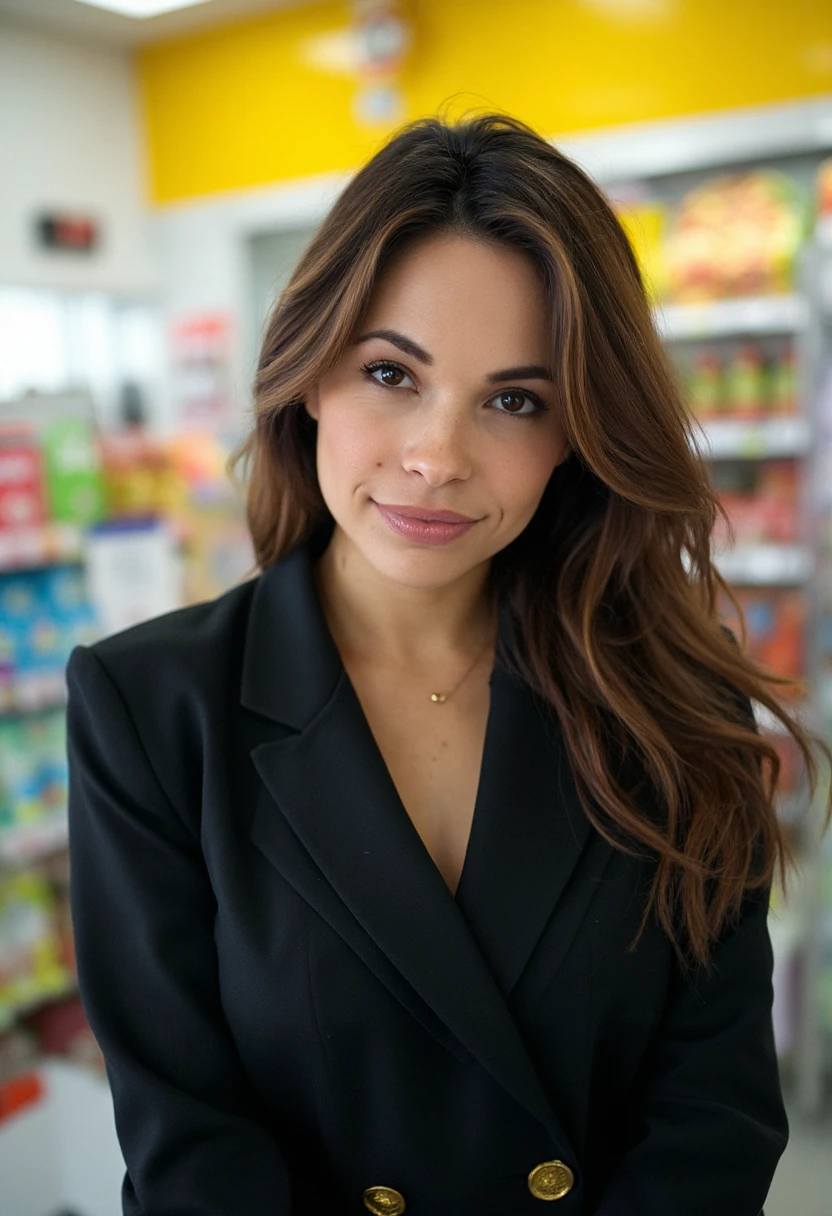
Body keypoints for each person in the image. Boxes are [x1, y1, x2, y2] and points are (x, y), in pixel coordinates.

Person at [65, 111, 832, 1216]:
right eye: (390, 373)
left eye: (513, 400)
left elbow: (713, 1111)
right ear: (311, 373)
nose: (435, 457)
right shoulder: (150, 709)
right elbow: (191, 1142)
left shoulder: (675, 697)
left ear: (577, 434)